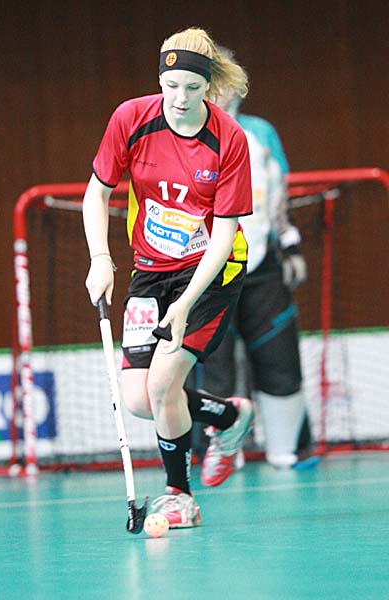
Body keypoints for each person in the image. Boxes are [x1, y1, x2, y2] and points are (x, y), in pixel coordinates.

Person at [83, 27, 255, 529]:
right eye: (171, 85)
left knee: (163, 384)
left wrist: (183, 305)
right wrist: (100, 258)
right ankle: (228, 416)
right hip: (150, 269)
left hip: (211, 272)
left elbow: (223, 236)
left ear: (210, 86)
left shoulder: (229, 139)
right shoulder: (131, 119)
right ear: (159, 78)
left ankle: (180, 496)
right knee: (140, 399)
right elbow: (97, 192)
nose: (180, 98)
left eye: (193, 88)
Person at [199, 46, 318, 485]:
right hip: (205, 269)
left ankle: (286, 448)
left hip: (261, 263)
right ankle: (219, 451)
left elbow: (277, 196)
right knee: (210, 363)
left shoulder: (261, 133)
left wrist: (290, 245)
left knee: (277, 353)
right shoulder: (184, 136)